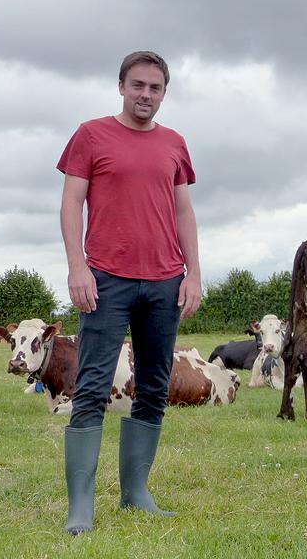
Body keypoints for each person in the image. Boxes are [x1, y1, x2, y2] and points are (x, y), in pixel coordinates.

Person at [57, 51, 201, 535]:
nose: (145, 95)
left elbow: (183, 212)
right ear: (120, 86)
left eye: (155, 88)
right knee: (92, 388)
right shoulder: (90, 135)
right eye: (137, 85)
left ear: (164, 93)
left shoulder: (175, 144)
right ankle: (81, 509)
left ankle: (136, 494)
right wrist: (78, 266)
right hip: (106, 280)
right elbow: (72, 202)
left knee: (155, 388)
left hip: (164, 281)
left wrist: (193, 273)